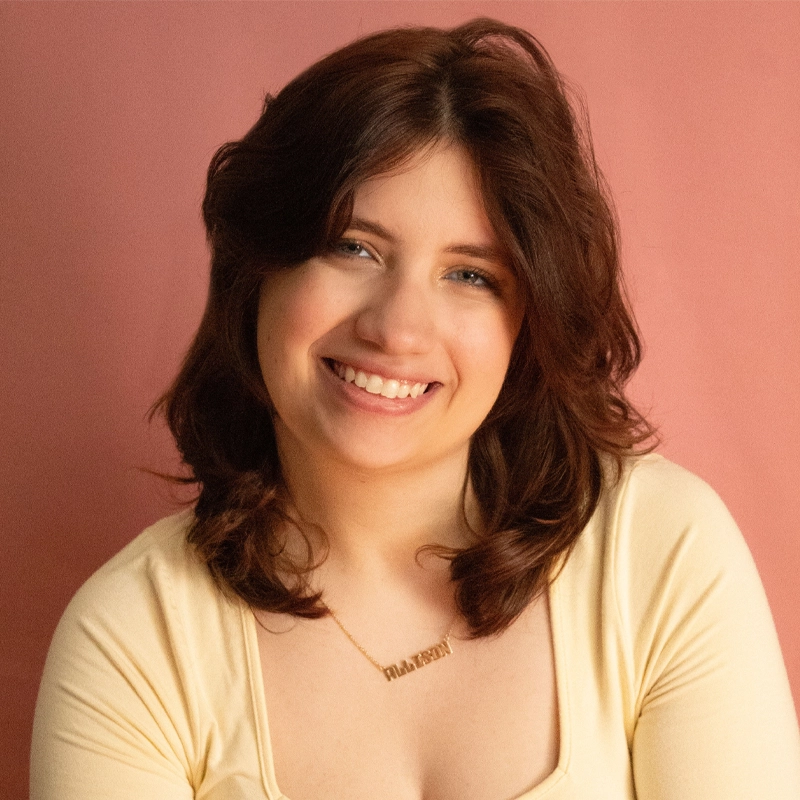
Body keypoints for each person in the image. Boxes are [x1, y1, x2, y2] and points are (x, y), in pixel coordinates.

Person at [31, 18, 800, 800]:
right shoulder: (132, 639)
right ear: (257, 267)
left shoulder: (660, 553)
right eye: (353, 247)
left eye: (470, 275)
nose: (396, 328)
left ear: (528, 321)